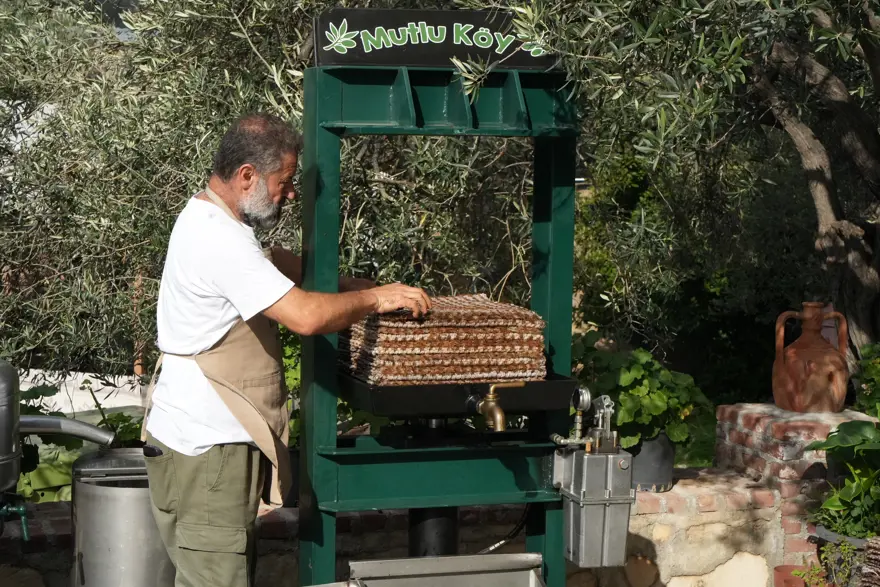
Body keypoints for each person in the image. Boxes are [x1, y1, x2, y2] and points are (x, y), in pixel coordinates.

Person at [140, 112, 431, 587]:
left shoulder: (213, 220)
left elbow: (271, 263)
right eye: (285, 181)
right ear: (247, 176)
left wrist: (346, 285)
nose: (291, 193)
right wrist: (377, 298)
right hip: (207, 452)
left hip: (204, 448)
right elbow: (307, 318)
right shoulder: (218, 239)